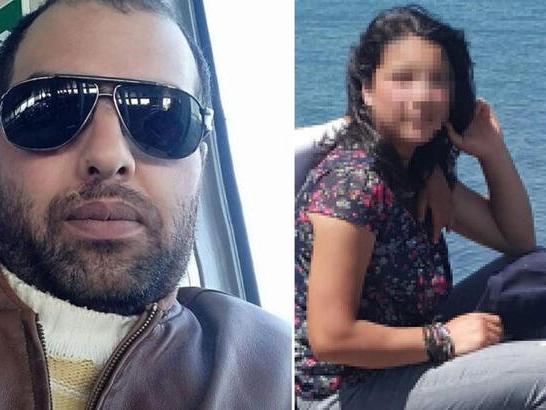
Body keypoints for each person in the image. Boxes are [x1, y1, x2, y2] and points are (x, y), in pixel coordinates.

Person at [0, 0, 290, 408]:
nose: (108, 156)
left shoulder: (281, 373)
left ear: (201, 164)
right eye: (49, 110)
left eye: (164, 118)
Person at [295, 5, 546, 409]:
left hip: (405, 351)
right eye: (403, 79)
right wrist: (444, 339)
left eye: (438, 80)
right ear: (366, 88)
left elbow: (518, 243)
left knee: (538, 276)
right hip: (343, 389)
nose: (423, 96)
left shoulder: (414, 169)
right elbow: (331, 338)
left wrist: (492, 151)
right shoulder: (354, 186)